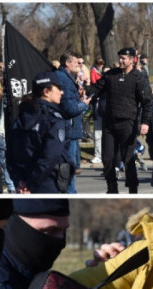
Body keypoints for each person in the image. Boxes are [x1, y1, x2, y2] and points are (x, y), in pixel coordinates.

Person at [85, 47, 152, 193]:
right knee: (107, 158)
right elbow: (96, 89)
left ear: (132, 60)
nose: (120, 61)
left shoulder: (138, 78)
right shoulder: (111, 75)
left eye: (124, 58)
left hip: (128, 123)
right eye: (120, 58)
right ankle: (112, 187)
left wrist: (145, 122)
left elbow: (148, 102)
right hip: (109, 123)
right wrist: (83, 87)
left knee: (128, 159)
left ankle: (133, 188)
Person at [0, 199, 70, 289]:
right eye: (50, 230)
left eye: (64, 230)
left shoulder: (30, 268)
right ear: (18, 227)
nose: (61, 240)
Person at [7, 71, 74, 193]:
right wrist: (31, 184)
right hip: (46, 182)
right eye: (58, 88)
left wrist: (19, 181)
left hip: (23, 182)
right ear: (46, 92)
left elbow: (11, 153)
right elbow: (50, 156)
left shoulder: (22, 116)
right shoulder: (53, 119)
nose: (62, 92)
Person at [55, 51, 92, 193]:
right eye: (76, 62)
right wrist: (84, 104)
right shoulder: (64, 79)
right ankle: (69, 194)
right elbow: (69, 108)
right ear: (67, 63)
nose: (79, 65)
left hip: (67, 128)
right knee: (67, 168)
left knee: (67, 168)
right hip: (67, 129)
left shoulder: (67, 78)